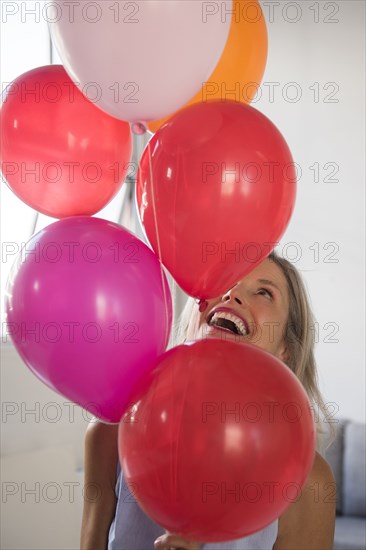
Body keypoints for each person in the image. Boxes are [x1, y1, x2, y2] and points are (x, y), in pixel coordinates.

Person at [80, 252, 336, 550]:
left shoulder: (307, 481)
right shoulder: (110, 433)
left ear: (285, 349)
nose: (232, 294)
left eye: (264, 292)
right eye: (224, 282)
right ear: (192, 317)